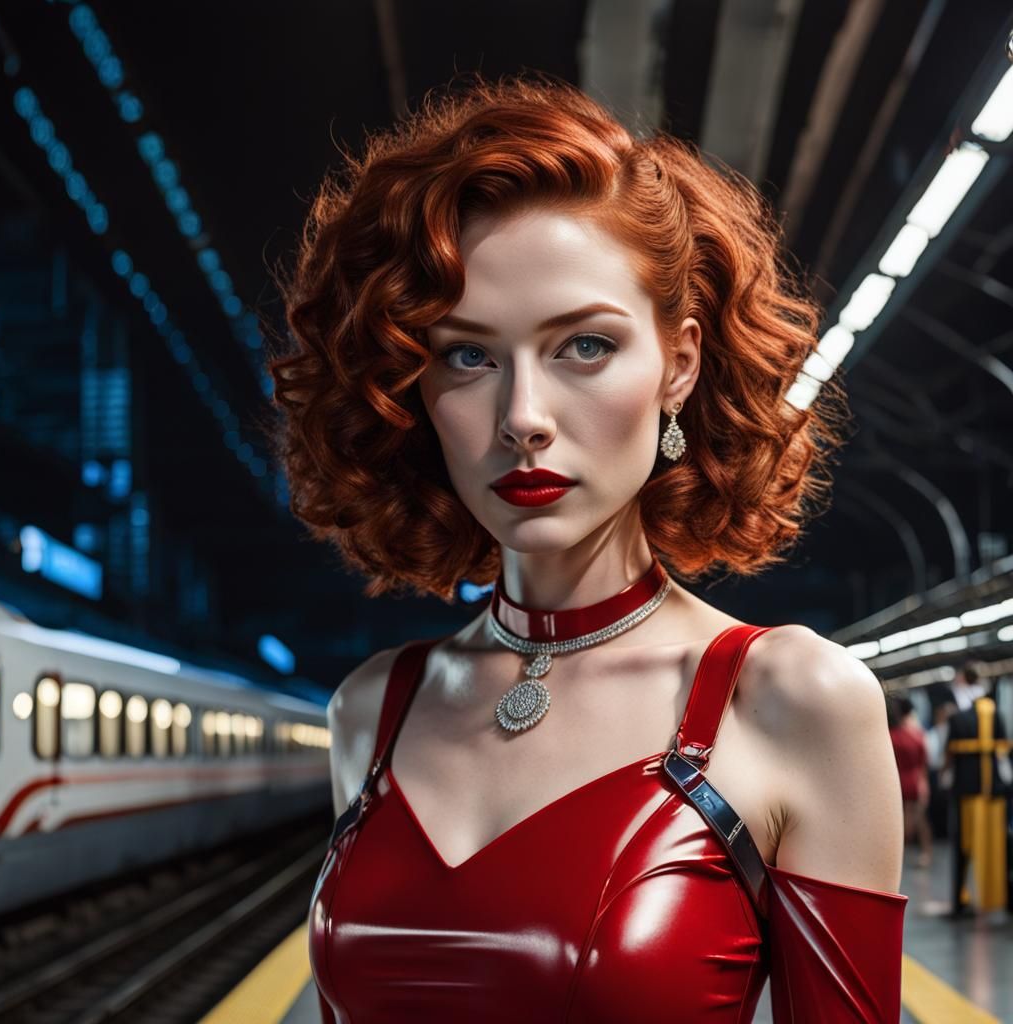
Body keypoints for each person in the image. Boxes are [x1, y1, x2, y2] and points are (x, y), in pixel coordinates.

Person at [268, 74, 908, 1023]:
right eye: (467, 355)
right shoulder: (373, 710)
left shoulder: (791, 701)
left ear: (678, 365)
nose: (523, 417)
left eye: (584, 347)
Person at [944, 667, 1013, 918]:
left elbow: (949, 756)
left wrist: (944, 775)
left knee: (963, 849)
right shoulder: (998, 716)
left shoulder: (957, 718)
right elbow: (1004, 753)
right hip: (993, 793)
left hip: (965, 792)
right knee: (1001, 848)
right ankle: (1005, 899)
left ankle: (960, 901)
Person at [887, 694, 932, 867]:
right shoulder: (918, 734)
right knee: (921, 820)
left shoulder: (893, 736)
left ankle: (898, 858)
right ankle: (926, 853)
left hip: (899, 779)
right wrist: (924, 782)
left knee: (902, 820)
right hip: (916, 779)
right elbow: (924, 762)